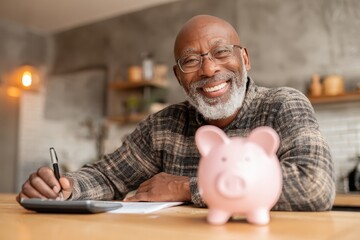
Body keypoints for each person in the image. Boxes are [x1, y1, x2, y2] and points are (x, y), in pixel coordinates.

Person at [17, 15, 335, 211]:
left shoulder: (283, 105)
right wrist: (64, 186)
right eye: (191, 60)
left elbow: (314, 186)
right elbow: (106, 176)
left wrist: (186, 187)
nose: (209, 68)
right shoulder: (165, 125)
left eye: (221, 51)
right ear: (178, 75)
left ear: (245, 59)